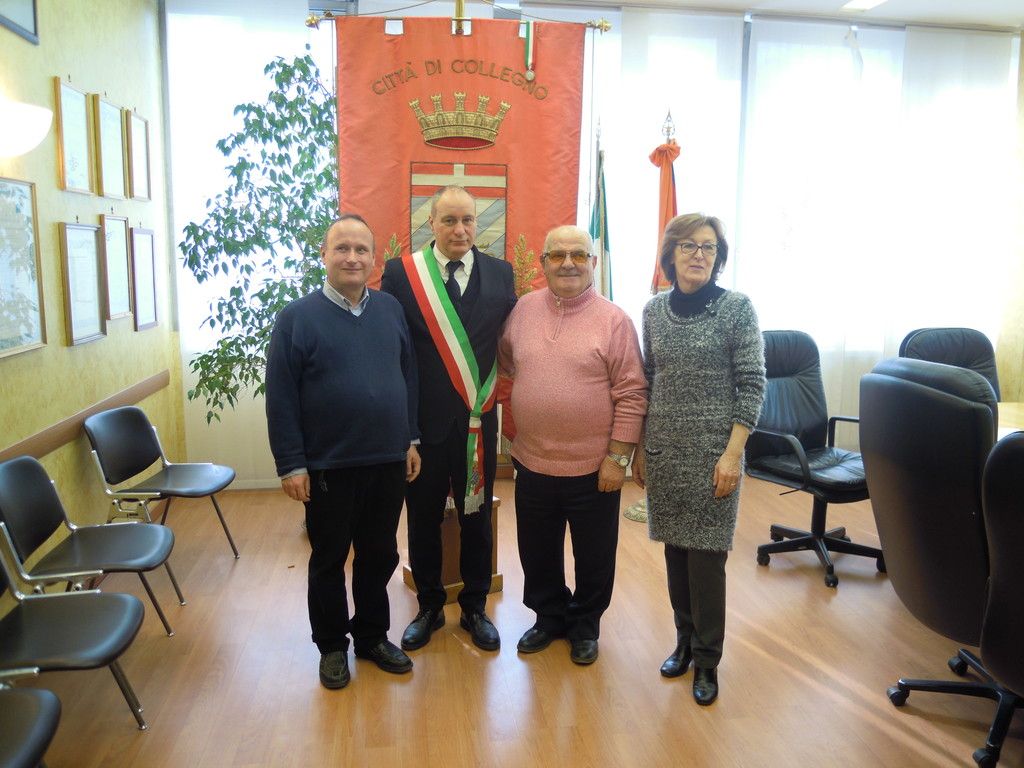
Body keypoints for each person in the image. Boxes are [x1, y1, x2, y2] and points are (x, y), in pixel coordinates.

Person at [265, 214, 422, 690]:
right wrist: (291, 463)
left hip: (387, 460)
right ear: (324, 255)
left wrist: (410, 439)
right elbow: (281, 397)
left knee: (379, 555)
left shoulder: (390, 309)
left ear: (374, 259)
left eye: (361, 250)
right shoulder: (296, 318)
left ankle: (372, 637)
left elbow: (408, 376)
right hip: (328, 466)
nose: (352, 258)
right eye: (342, 249)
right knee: (330, 559)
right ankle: (332, 646)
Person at [498, 225, 647, 665]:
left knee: (594, 555)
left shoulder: (614, 321)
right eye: (558, 255)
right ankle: (548, 618)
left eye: (579, 255)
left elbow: (632, 393)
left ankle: (584, 625)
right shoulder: (523, 310)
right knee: (537, 550)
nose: (568, 263)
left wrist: (618, 457)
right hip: (532, 461)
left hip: (594, 466)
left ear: (593, 263)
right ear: (543, 263)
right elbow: (506, 361)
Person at [633, 213, 765, 705]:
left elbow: (752, 384)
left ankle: (707, 660)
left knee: (707, 560)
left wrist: (733, 455)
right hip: (665, 449)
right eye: (688, 245)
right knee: (674, 551)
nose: (699, 255)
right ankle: (684, 642)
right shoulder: (653, 311)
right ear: (670, 255)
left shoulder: (736, 309)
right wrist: (642, 447)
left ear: (718, 257)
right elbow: (649, 379)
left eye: (709, 247)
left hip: (715, 455)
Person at [381, 185, 517, 652]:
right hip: (423, 427)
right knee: (422, 519)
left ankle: (475, 606)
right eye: (449, 220)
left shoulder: (501, 274)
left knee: (477, 517)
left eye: (468, 220)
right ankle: (430, 606)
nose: (460, 230)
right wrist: (404, 432)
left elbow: (509, 342)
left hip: (478, 424)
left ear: (477, 224)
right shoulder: (402, 275)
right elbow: (395, 352)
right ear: (431, 223)